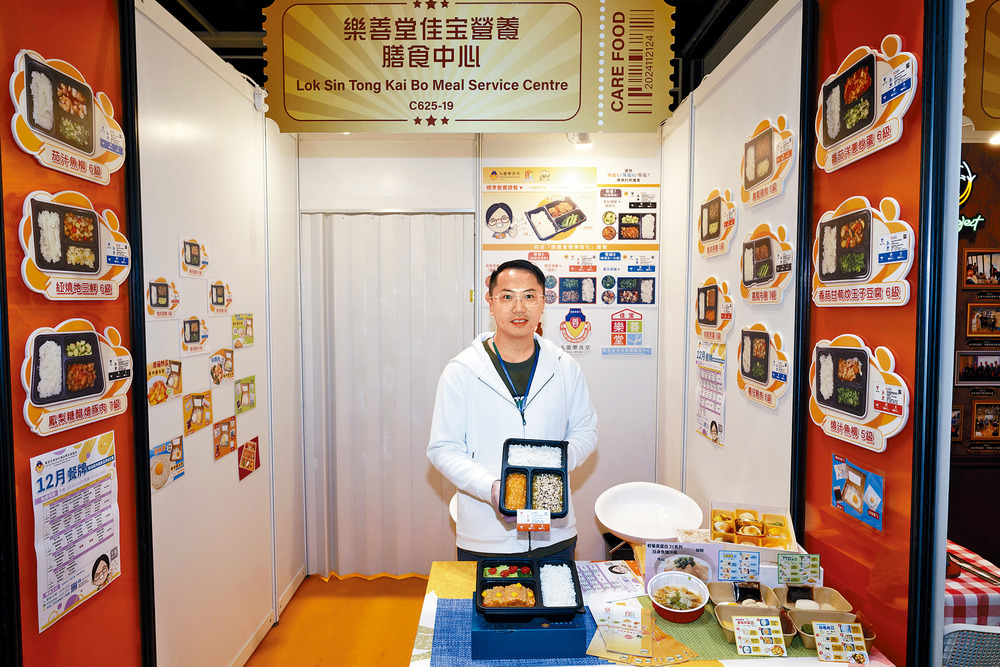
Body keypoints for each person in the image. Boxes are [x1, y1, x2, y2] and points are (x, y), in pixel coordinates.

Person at [427, 259, 598, 560]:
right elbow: (444, 449)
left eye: (529, 296)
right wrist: (491, 487)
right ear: (491, 303)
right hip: (486, 538)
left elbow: (585, 432)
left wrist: (553, 466)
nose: (519, 308)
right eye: (507, 297)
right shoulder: (462, 370)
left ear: (543, 303)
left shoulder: (565, 367)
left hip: (554, 533)